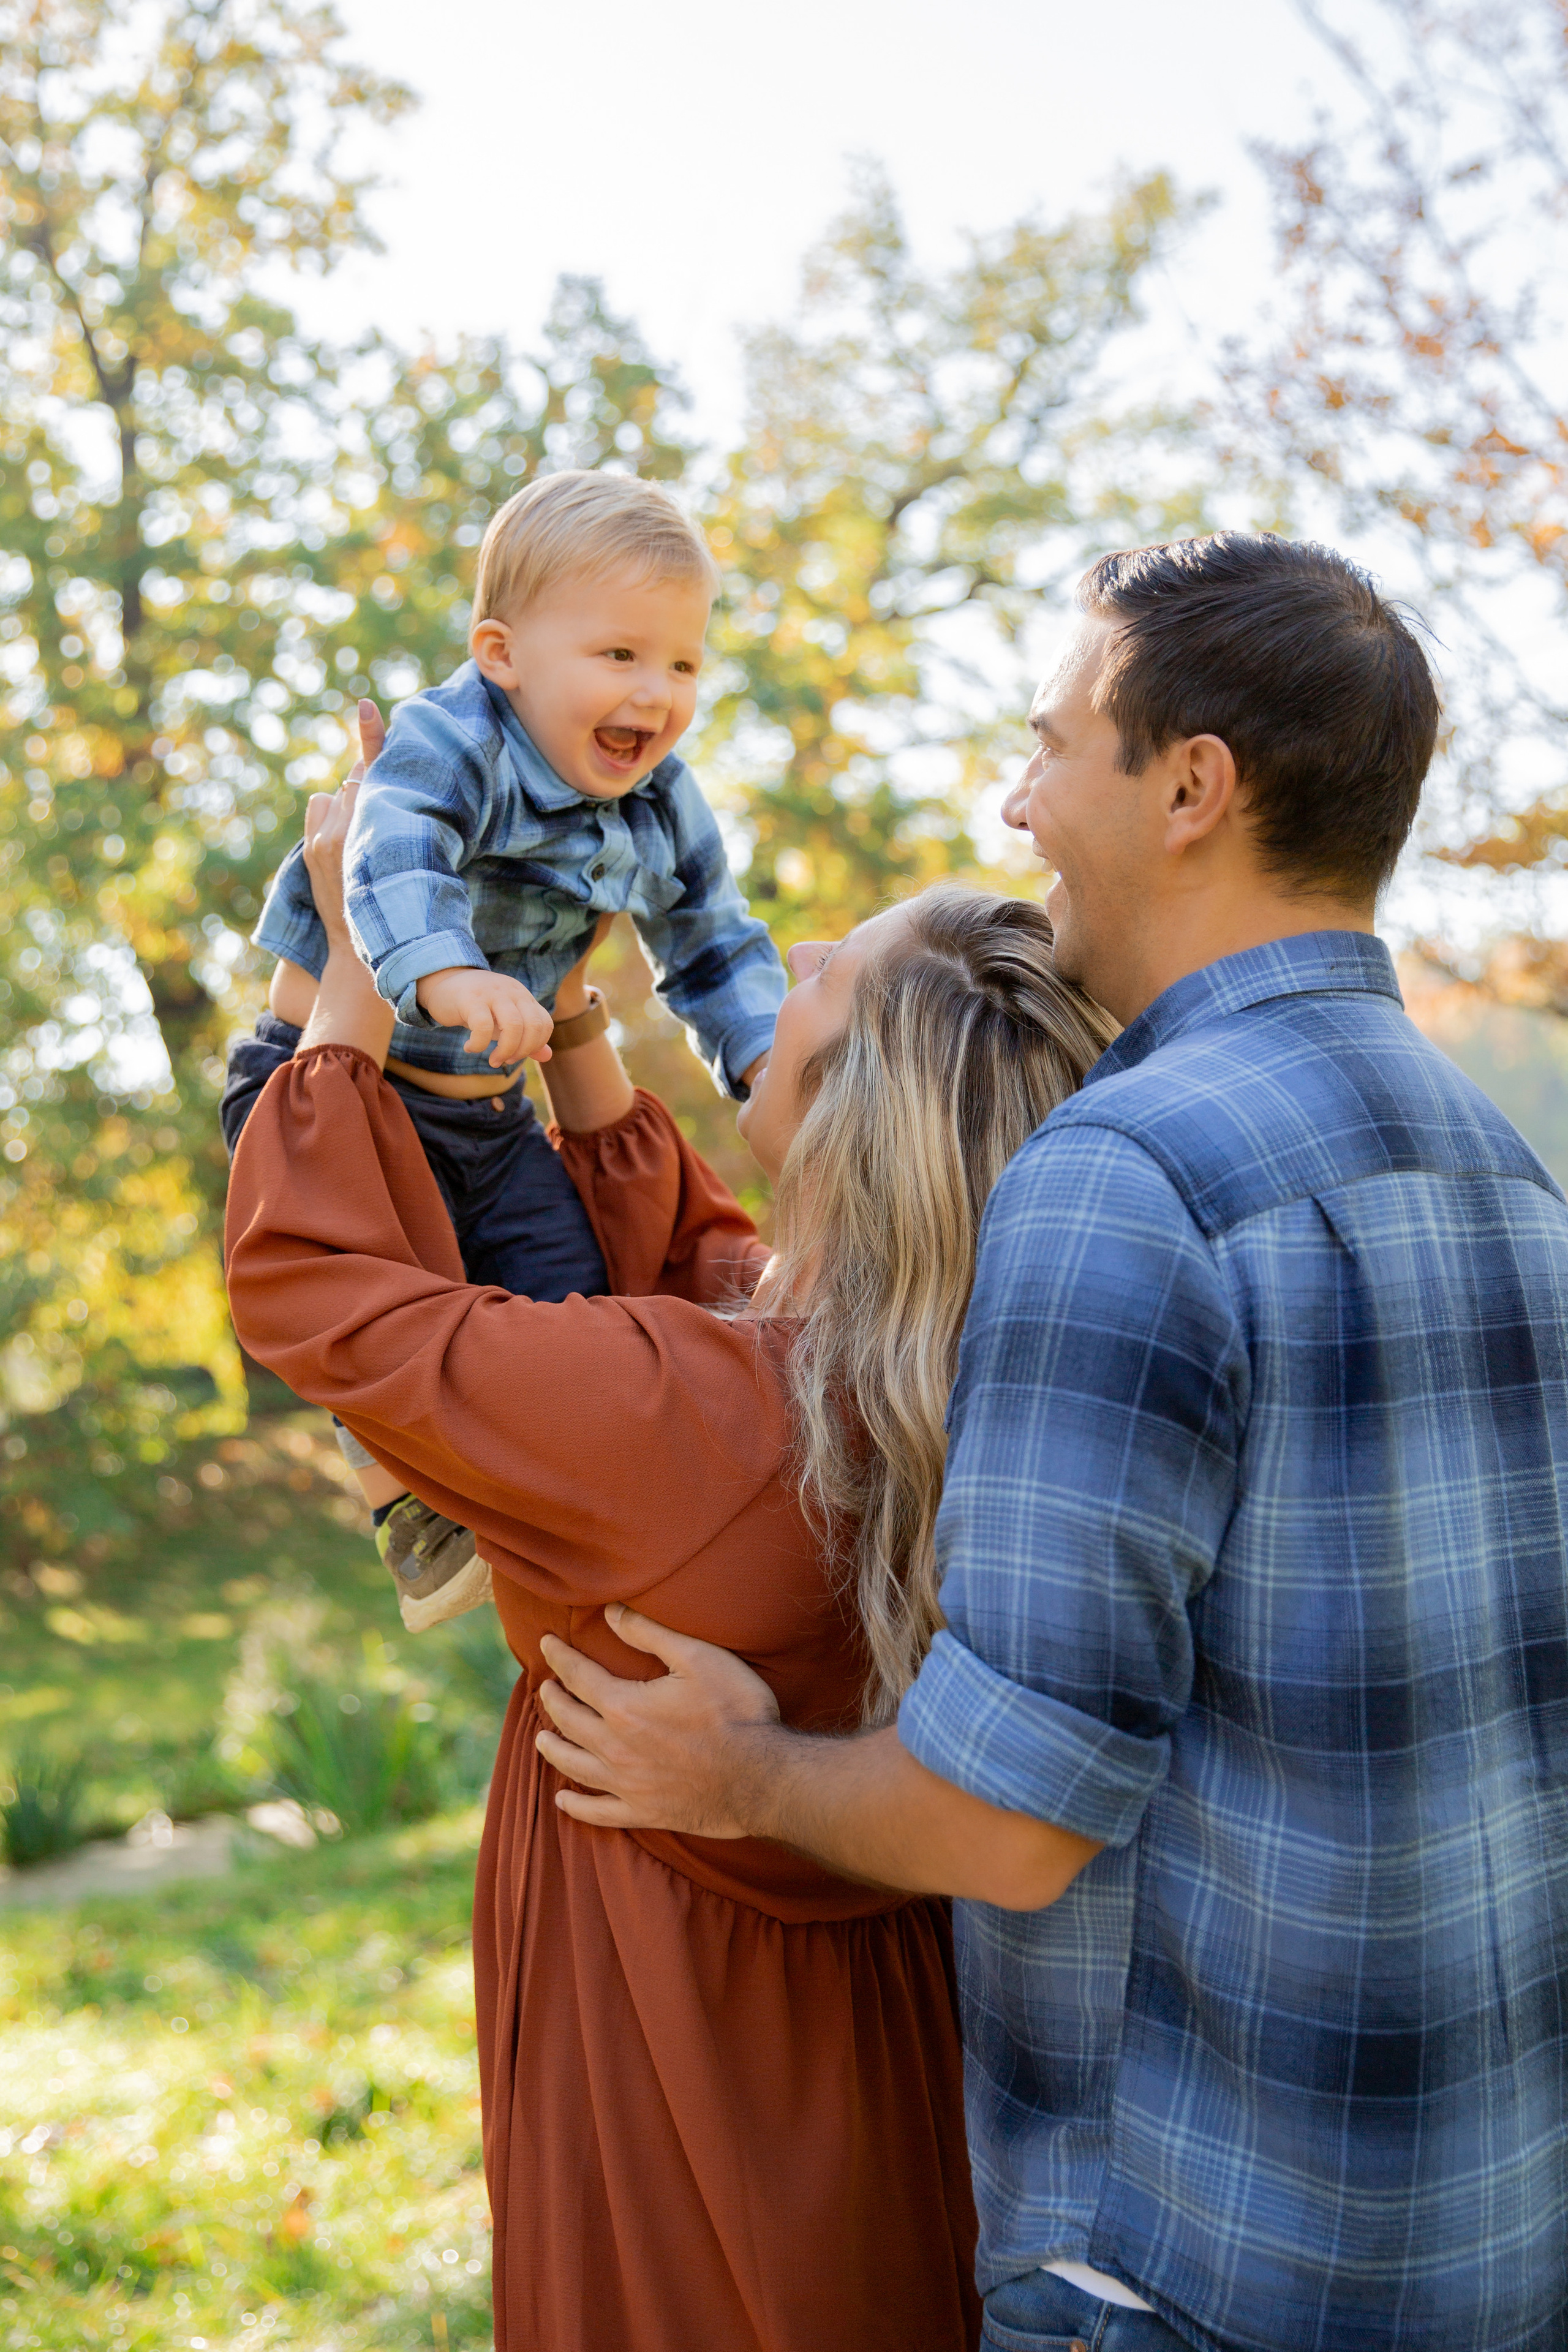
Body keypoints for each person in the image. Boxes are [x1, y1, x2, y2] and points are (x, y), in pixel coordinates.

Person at [529, 532, 1568, 2352]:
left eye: (1051, 745)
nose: (1017, 806)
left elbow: (1010, 1820)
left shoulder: (1125, 1175)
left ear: (1191, 787)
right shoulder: (1505, 1173)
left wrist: (745, 1776)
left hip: (1186, 2274)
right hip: (1484, 2240)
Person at [222, 769, 1118, 2352]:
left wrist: (364, 963)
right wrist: (574, 1028)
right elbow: (692, 1251)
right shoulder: (910, 1365)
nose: (807, 944)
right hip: (863, 2039)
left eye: (837, 967)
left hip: (675, 2042)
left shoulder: (689, 1415)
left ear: (843, 1103)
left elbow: (317, 1294)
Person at [228, 469, 786, 1625]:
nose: (659, 693)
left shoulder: (662, 802)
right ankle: (407, 1498)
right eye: (621, 656)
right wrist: (444, 968)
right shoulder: (451, 741)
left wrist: (770, 1062)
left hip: (493, 1113)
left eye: (684, 664)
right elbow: (391, 850)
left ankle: (554, 1482)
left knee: (564, 1289)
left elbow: (714, 938)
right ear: (502, 653)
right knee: (384, 1289)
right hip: (340, 1087)